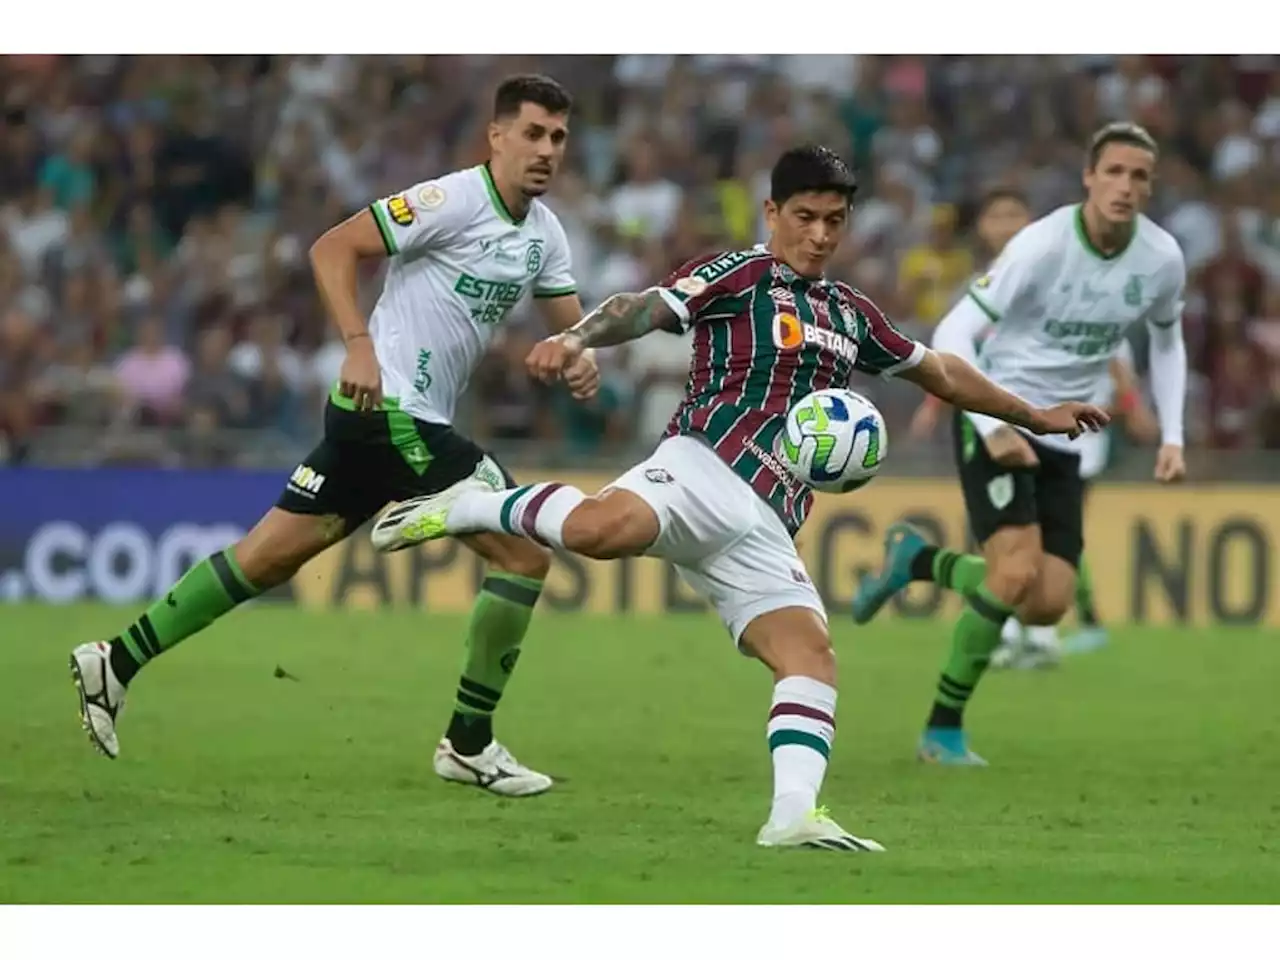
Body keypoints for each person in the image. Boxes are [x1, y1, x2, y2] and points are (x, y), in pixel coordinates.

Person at [368, 145, 1108, 851]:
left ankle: (794, 817)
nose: (819, 235)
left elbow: (941, 371)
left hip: (767, 522)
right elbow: (644, 306)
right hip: (701, 468)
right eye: (805, 217)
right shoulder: (740, 275)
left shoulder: (853, 313)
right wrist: (581, 338)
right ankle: (462, 506)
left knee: (810, 656)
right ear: (772, 212)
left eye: (834, 221)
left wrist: (1033, 415)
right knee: (600, 531)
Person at [70, 74, 599, 798]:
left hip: (385, 424)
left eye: (558, 138)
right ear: (497, 136)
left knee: (264, 560)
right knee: (524, 554)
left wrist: (579, 358)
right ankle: (468, 740)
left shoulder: (544, 235)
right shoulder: (449, 200)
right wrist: (356, 343)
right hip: (389, 406)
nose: (546, 150)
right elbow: (332, 248)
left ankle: (116, 660)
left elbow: (570, 327)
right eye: (533, 133)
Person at [851, 122, 1188, 765]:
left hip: (1065, 430)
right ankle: (941, 729)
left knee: (1046, 604)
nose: (1125, 186)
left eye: (1139, 176)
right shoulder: (1041, 246)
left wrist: (1173, 434)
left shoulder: (1162, 259)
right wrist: (994, 425)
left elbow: (1168, 341)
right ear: (1089, 178)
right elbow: (954, 329)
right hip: (998, 413)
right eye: (1113, 171)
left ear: (1151, 187)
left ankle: (916, 561)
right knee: (1012, 573)